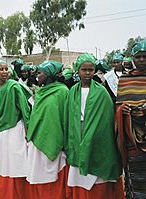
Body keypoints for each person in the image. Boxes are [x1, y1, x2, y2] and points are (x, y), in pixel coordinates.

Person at [64, 53, 124, 199]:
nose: (87, 73)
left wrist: (94, 134)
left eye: (91, 69)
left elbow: (107, 120)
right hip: (77, 134)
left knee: (96, 176)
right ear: (78, 70)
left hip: (98, 137)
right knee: (79, 174)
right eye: (84, 69)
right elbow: (68, 117)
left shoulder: (102, 92)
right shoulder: (72, 91)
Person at [26, 60, 69, 199]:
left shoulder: (62, 91)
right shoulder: (39, 92)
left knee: (52, 176)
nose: (36, 75)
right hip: (37, 139)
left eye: (40, 72)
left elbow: (65, 117)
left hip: (54, 138)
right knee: (38, 175)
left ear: (49, 73)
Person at [0, 59, 30, 199]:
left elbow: (25, 109)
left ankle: (19, 194)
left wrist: (27, 129)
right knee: (2, 163)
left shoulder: (14, 87)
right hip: (0, 131)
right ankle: (4, 194)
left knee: (16, 162)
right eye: (1, 69)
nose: (5, 72)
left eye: (7, 69)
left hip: (15, 129)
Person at [115, 40, 146, 198]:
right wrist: (123, 110)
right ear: (133, 58)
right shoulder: (125, 80)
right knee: (136, 176)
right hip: (132, 139)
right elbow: (118, 107)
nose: (141, 60)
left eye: (144, 56)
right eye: (138, 56)